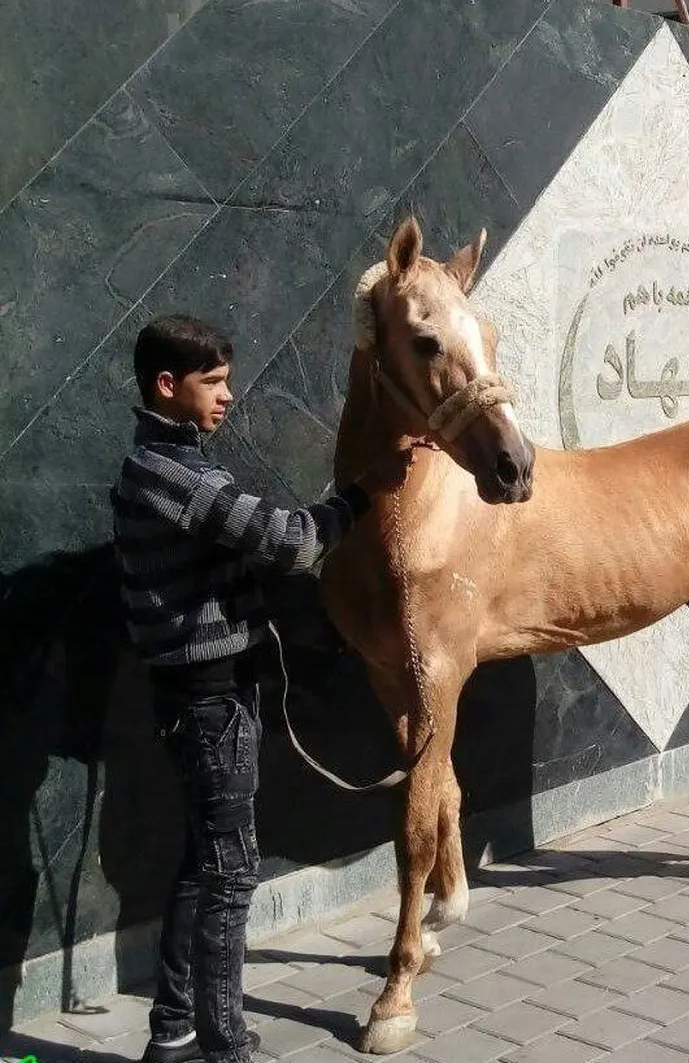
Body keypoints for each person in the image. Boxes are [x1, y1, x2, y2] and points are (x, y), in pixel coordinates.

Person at [111, 315, 401, 1063]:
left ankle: (171, 1032)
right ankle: (224, 1042)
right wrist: (363, 493)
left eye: (228, 380)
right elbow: (290, 542)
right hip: (210, 699)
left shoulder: (167, 464)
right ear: (165, 385)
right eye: (212, 382)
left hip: (201, 694)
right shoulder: (174, 474)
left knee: (202, 861)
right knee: (233, 870)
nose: (228, 395)